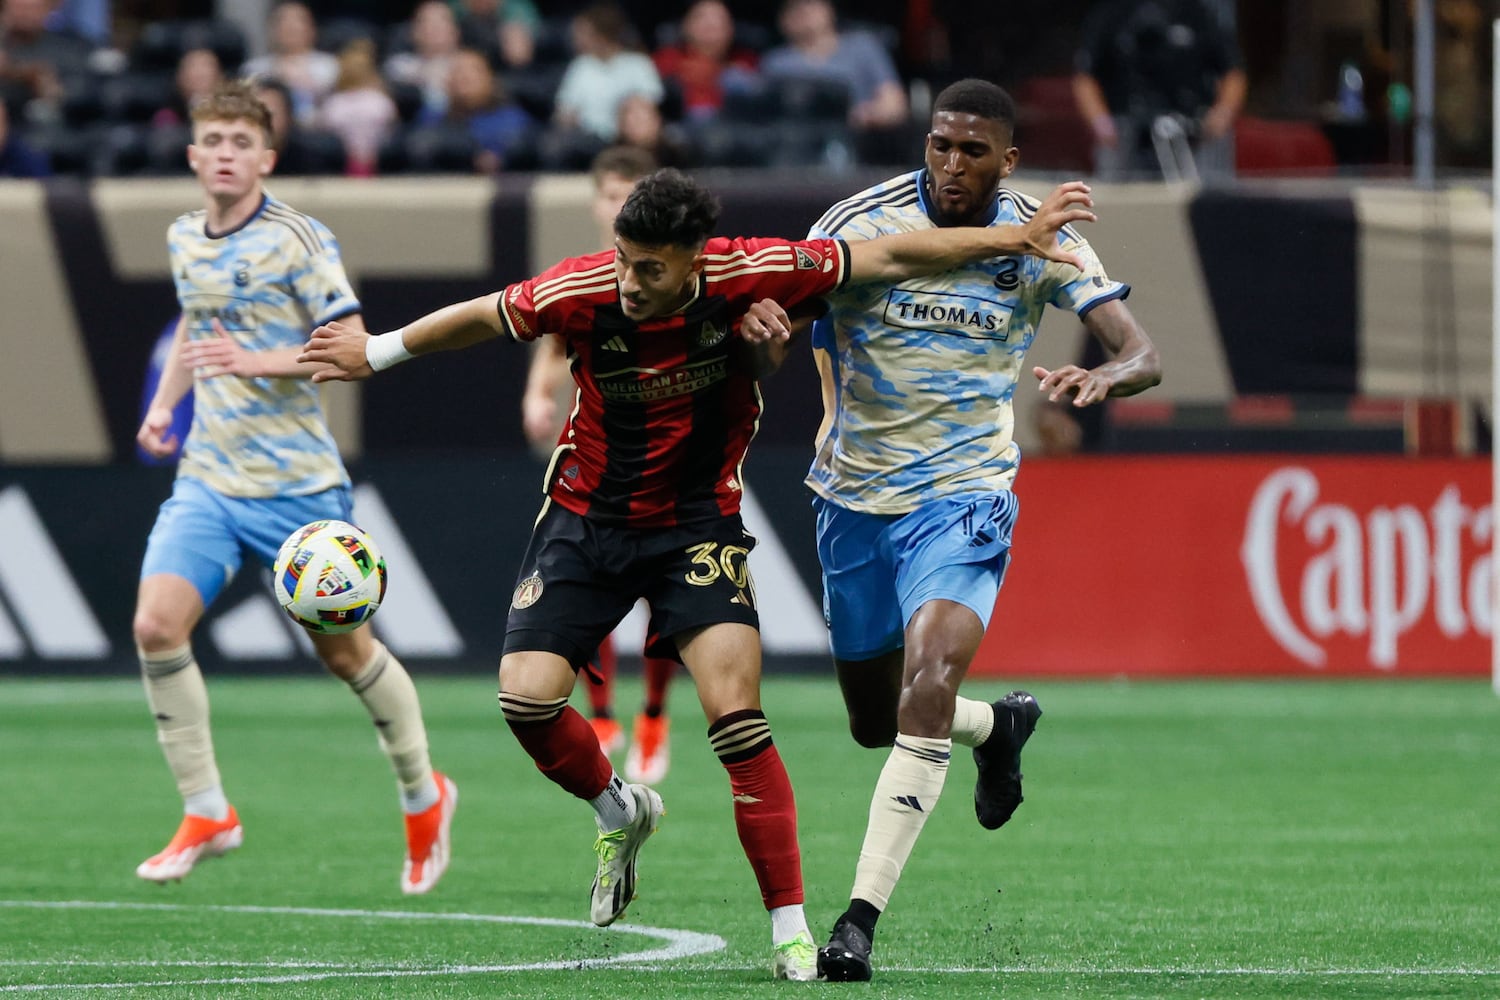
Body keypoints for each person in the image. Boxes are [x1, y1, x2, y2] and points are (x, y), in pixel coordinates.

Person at [299, 166, 1097, 981]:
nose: (630, 282)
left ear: (695, 261)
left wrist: (1013, 237)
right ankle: (620, 809)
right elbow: (481, 316)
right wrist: (377, 350)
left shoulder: (755, 271)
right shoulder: (580, 291)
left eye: (651, 268)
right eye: (623, 261)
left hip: (695, 526)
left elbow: (891, 254)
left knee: (738, 722)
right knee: (525, 699)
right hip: (587, 518)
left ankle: (790, 934)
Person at [802, 78, 1161, 981]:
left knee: (926, 679)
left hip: (964, 492)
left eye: (972, 151)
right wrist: (823, 400)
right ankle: (995, 728)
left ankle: (857, 924)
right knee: (872, 719)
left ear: (1007, 160)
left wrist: (1106, 380)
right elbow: (809, 321)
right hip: (853, 496)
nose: (951, 163)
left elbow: (1142, 351)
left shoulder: (1046, 240)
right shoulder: (855, 220)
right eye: (939, 145)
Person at [131, 81, 457, 896]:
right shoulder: (183, 236)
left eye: (243, 142)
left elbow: (350, 344)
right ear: (194, 154)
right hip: (208, 474)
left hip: (300, 492)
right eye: (215, 140)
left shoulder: (299, 238)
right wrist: (164, 408)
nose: (227, 155)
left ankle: (424, 791)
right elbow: (196, 331)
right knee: (155, 625)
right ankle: (207, 809)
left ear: (266, 158)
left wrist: (256, 362)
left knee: (346, 655)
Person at [519, 144, 679, 784]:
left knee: (663, 595)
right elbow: (554, 338)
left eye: (631, 191)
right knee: (585, 582)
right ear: (596, 201)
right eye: (611, 193)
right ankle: (605, 714)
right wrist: (538, 392)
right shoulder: (582, 277)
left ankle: (655, 715)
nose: (621, 204)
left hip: (674, 454)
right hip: (596, 450)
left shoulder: (678, 272)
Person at [1071, 0, 1246, 181]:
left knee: (1197, 191)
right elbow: (1085, 75)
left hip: (1189, 132)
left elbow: (1233, 70)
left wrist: (1222, 114)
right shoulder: (1112, 12)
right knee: (1119, 196)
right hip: (1126, 132)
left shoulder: (1197, 13)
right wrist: (1100, 122)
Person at [760, 0, 908, 131]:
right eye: (793, 6)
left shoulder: (863, 47)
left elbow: (894, 104)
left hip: (856, 145)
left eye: (811, 3)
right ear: (782, 20)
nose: (803, 10)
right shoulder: (775, 63)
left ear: (829, 9)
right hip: (794, 146)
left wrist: (865, 116)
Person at [552, 2, 663, 144]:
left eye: (583, 33)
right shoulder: (581, 66)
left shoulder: (638, 63)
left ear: (602, 34)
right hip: (587, 140)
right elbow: (565, 111)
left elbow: (649, 105)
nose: (576, 39)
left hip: (632, 137)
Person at [418, 46, 534, 174]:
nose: (464, 77)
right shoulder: (432, 120)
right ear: (447, 81)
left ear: (489, 78)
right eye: (457, 71)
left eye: (473, 71)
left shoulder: (514, 120)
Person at [651, 0, 759, 121]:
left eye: (718, 19)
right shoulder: (667, 60)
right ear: (685, 25)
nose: (710, 24)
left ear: (731, 27)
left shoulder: (746, 60)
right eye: (701, 17)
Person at [240, 1, 340, 125]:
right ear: (271, 29)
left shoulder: (330, 66)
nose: (290, 26)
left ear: (312, 28)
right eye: (282, 21)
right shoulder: (254, 69)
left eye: (298, 21)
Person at [317, 37, 398, 176]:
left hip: (381, 162)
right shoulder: (334, 103)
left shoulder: (381, 102)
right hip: (339, 164)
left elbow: (392, 131)